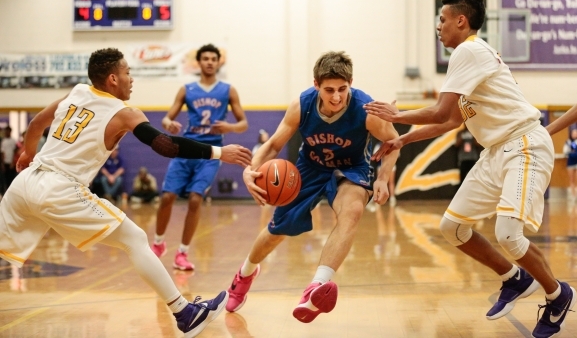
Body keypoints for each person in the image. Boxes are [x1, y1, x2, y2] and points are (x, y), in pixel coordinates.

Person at [363, 0, 575, 338]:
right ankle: (514, 277)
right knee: (452, 228)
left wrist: (397, 116)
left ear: (461, 21)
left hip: (522, 144)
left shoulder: (468, 51)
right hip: (495, 151)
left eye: (442, 19)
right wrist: (401, 138)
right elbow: (449, 121)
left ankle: (557, 294)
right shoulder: (469, 59)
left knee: (508, 233)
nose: (438, 26)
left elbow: (440, 111)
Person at [0, 48, 253, 337]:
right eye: (127, 73)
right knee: (135, 240)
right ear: (112, 79)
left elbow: (35, 125)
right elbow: (165, 145)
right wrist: (220, 152)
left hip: (25, 183)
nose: (131, 79)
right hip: (60, 188)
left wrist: (28, 155)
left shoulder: (76, 92)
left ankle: (185, 312)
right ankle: (185, 313)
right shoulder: (124, 114)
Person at [224, 51, 400, 323]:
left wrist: (382, 177)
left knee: (352, 210)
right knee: (276, 231)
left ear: (351, 82)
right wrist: (250, 170)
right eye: (329, 90)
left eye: (343, 89)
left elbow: (393, 143)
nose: (337, 97)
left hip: (351, 167)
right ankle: (245, 274)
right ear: (316, 85)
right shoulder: (302, 105)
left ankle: (316, 287)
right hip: (310, 166)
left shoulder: (367, 110)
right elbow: (272, 145)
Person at [151, 44, 249, 271]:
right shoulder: (187, 89)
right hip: (186, 148)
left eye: (213, 59)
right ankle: (158, 243)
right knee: (167, 197)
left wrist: (229, 127)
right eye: (205, 58)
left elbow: (244, 123)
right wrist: (170, 124)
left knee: (195, 199)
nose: (209, 62)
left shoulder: (228, 90)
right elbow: (166, 119)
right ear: (199, 62)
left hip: (212, 152)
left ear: (218, 62)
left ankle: (182, 253)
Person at [563, 128, 577, 200]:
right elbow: (565, 152)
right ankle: (573, 195)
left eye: (576, 133)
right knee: (572, 179)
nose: (574, 135)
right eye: (573, 133)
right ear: (571, 134)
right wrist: (570, 154)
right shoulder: (567, 142)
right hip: (570, 163)